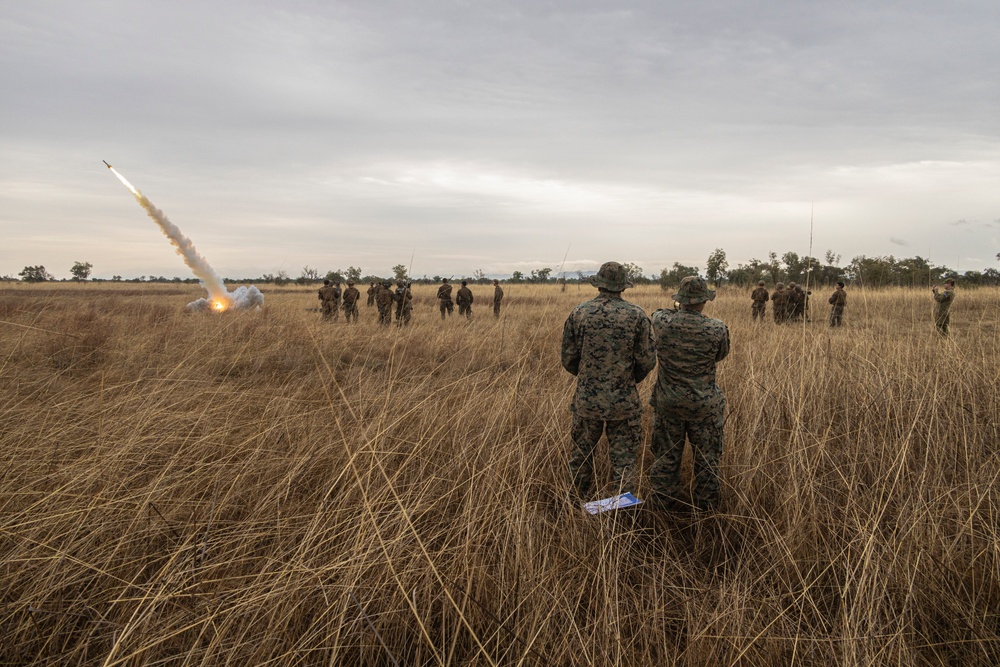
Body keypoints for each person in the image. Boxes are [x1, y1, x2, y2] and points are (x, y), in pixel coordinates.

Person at [561, 261, 656, 501]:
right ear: (623, 286)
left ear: (600, 284)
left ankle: (574, 507)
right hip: (623, 402)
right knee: (624, 463)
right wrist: (626, 380)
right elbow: (647, 360)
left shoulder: (580, 312)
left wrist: (589, 378)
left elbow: (569, 358)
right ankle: (623, 515)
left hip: (587, 401)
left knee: (580, 457)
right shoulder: (636, 315)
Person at [649, 276, 730, 512]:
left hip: (668, 405)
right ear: (704, 300)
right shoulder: (716, 327)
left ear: (680, 299)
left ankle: (663, 511)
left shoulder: (663, 323)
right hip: (704, 407)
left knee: (665, 460)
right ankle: (706, 512)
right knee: (707, 462)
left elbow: (657, 313)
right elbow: (720, 355)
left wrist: (676, 310)